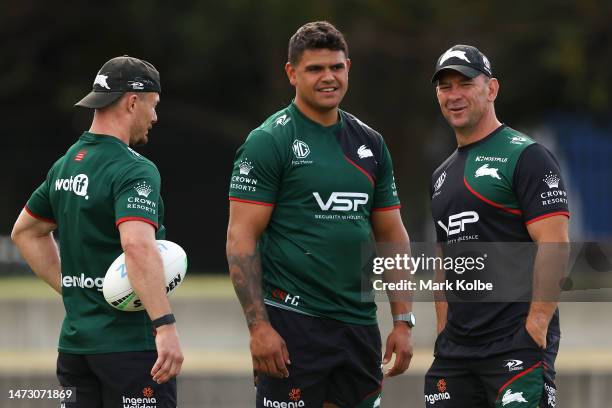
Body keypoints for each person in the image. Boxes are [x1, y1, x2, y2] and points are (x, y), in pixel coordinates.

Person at [226, 21, 414, 408]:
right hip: (293, 323)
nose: (328, 77)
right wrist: (259, 327)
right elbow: (240, 239)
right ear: (292, 73)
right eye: (315, 69)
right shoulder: (269, 141)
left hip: (359, 324)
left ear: (349, 68)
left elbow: (392, 235)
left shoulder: (370, 143)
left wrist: (402, 319)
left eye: (337, 67)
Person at [11, 56, 183, 408]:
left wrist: (72, 287)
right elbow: (137, 246)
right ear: (132, 101)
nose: (155, 117)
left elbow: (25, 232)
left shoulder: (65, 166)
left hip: (76, 348)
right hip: (130, 350)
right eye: (153, 106)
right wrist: (165, 325)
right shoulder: (134, 170)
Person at [425, 44, 570, 407]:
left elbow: (555, 243)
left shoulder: (526, 155)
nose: (454, 95)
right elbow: (445, 263)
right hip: (456, 354)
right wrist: (443, 334)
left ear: (491, 89)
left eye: (465, 83)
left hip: (515, 346)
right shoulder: (441, 175)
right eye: (445, 86)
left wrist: (536, 325)